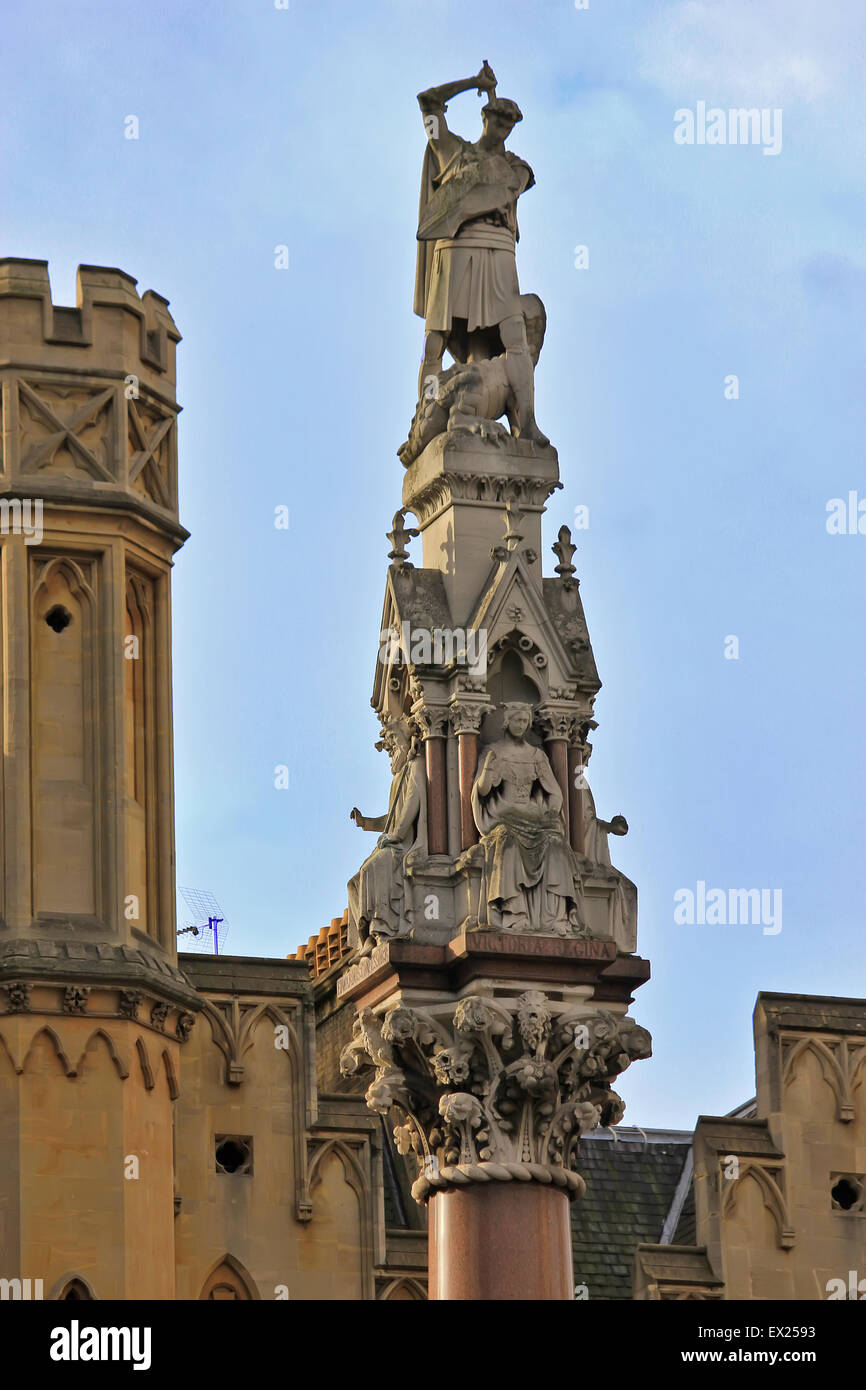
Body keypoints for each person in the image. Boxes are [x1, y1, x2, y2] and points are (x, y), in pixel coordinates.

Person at [413, 63, 548, 446]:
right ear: (484, 117)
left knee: (514, 335)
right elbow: (428, 103)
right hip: (456, 247)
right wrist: (474, 82)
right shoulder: (452, 151)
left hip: (498, 249)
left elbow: (508, 188)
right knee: (435, 339)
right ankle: (426, 415)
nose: (502, 126)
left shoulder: (515, 167)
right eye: (497, 118)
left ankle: (527, 423)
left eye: (509, 122)